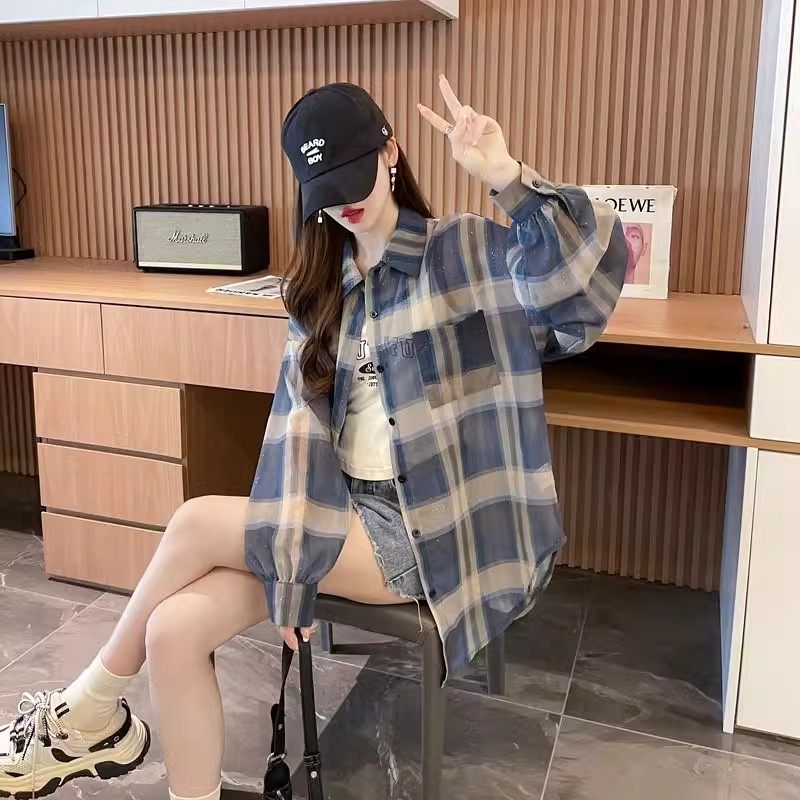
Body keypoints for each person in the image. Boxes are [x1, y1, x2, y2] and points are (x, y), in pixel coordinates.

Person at [0, 75, 626, 800]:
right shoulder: (319, 289)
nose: (344, 202)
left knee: (195, 520)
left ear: (391, 152)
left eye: (355, 175)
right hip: (339, 515)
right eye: (326, 189)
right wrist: (292, 570)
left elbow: (580, 300)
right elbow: (296, 440)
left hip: (435, 525)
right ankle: (125, 742)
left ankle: (88, 711)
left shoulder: (462, 252)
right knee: (173, 630)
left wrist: (507, 179)